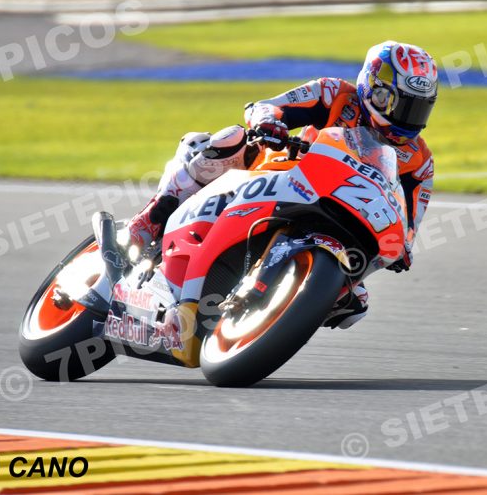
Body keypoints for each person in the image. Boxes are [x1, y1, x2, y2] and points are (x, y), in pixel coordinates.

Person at [127, 41, 437, 329]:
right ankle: (151, 219)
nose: (409, 119)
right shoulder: (334, 94)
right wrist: (268, 122)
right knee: (229, 141)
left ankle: (271, 318)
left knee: (354, 306)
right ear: (375, 90)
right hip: (283, 175)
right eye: (402, 106)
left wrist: (403, 249)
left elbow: (408, 224)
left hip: (343, 215)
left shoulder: (420, 162)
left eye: (419, 109)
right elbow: (266, 107)